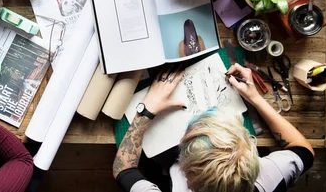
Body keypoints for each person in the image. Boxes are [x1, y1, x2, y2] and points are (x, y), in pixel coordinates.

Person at [113, 64, 314, 192]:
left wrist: (146, 111)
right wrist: (255, 98)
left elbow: (123, 169)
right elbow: (304, 150)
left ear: (187, 174)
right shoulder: (270, 177)